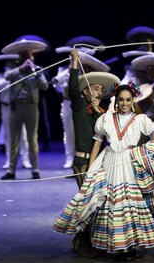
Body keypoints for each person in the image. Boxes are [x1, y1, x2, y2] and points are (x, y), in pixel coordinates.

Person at [53, 81, 154, 261]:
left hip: (129, 162)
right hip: (111, 162)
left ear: (133, 100)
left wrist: (147, 149)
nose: (124, 103)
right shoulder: (105, 118)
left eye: (128, 100)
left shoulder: (140, 119)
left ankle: (130, 247)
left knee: (130, 206)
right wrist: (91, 169)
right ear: (116, 100)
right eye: (121, 100)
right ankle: (117, 248)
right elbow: (97, 142)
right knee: (111, 204)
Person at [59, 49, 120, 258]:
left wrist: (99, 111)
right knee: (88, 201)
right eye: (94, 89)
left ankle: (82, 241)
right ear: (86, 92)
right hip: (82, 162)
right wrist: (75, 62)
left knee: (95, 202)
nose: (98, 93)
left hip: (97, 162)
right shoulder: (78, 106)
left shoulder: (100, 113)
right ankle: (82, 242)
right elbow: (73, 88)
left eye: (101, 91)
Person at [52, 35, 105, 169]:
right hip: (69, 103)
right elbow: (57, 85)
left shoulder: (91, 69)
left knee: (86, 132)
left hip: (85, 104)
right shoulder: (64, 70)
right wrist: (70, 69)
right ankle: (70, 158)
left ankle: (91, 158)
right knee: (69, 131)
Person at [0, 37, 49, 180]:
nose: (26, 58)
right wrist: (20, 69)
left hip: (31, 107)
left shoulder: (37, 69)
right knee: (13, 139)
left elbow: (44, 86)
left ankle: (35, 169)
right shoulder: (14, 70)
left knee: (32, 139)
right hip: (15, 107)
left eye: (28, 55)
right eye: (23, 55)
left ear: (32, 56)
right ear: (19, 57)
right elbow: (6, 76)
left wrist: (36, 72)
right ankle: (11, 170)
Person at [0, 53, 32, 169]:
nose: (12, 63)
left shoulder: (21, 73)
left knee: (23, 135)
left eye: (14, 61)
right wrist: (9, 77)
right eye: (9, 62)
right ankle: (9, 160)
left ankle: (25, 159)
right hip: (6, 106)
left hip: (20, 105)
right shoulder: (1, 75)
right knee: (9, 135)